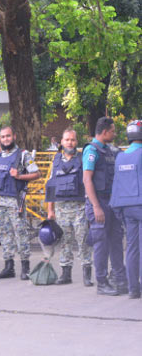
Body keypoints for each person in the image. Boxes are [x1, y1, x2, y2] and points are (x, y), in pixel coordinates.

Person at [0, 126, 41, 281]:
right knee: (4, 235)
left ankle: (25, 267)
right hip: (0, 202)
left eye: (8, 136)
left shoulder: (23, 155)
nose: (5, 139)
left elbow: (37, 174)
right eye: (3, 137)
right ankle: (8, 267)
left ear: (14, 136)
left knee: (20, 234)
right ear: (0, 139)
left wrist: (19, 176)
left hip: (15, 201)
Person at [83, 116, 127, 295]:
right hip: (98, 202)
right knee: (100, 243)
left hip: (112, 202)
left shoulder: (111, 151)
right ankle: (101, 282)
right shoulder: (91, 151)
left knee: (116, 241)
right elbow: (87, 179)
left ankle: (120, 278)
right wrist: (96, 206)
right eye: (113, 131)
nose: (115, 134)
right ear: (104, 132)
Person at [45, 128, 93, 286]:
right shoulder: (56, 160)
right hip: (61, 207)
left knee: (83, 239)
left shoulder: (82, 159)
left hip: (79, 207)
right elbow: (51, 186)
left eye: (72, 140)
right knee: (65, 241)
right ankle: (66, 274)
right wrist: (50, 210)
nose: (70, 142)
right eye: (67, 140)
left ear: (76, 142)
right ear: (62, 142)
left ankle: (87, 275)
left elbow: (88, 182)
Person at [109, 120, 142, 299]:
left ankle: (133, 289)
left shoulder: (120, 157)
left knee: (131, 248)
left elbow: (117, 184)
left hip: (125, 208)